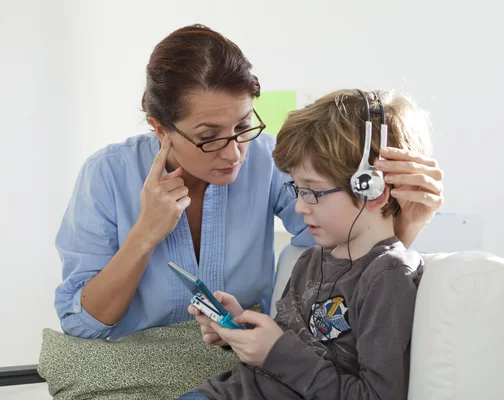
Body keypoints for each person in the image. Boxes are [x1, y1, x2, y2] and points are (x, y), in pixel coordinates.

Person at [54, 24, 443, 341]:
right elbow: (84, 322)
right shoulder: (106, 175)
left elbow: (343, 258)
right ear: (160, 129)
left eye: (243, 126)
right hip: (138, 363)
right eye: (209, 136)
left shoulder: (267, 158)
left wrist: (409, 222)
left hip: (240, 355)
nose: (234, 153)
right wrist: (145, 234)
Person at [181, 89, 431, 400]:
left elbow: (377, 395)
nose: (299, 207)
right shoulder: (310, 260)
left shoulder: (387, 276)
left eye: (312, 191)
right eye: (296, 189)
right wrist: (240, 332)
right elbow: (295, 345)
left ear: (371, 188)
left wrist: (276, 352)